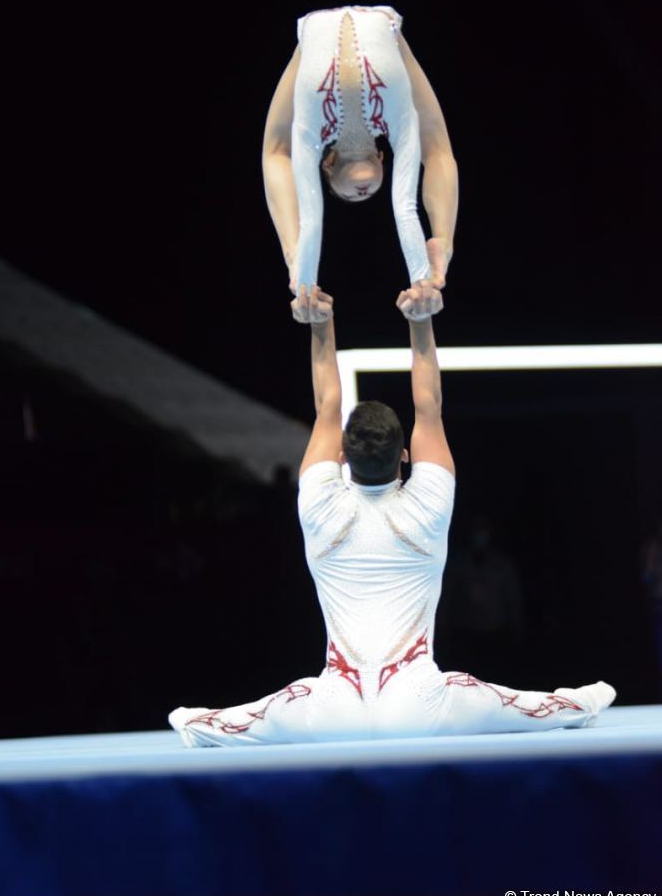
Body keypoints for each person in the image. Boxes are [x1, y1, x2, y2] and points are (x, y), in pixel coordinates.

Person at [168, 279, 615, 745]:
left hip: (335, 704)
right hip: (418, 701)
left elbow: (326, 408)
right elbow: (430, 406)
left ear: (341, 456)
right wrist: (420, 322)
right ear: (405, 455)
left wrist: (322, 325)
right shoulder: (428, 504)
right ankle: (578, 705)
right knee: (517, 703)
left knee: (268, 707)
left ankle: (198, 724)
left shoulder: (319, 502)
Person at [261, 5, 458, 307]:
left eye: (351, 196)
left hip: (317, 35)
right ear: (381, 157)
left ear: (327, 166)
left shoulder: (312, 135)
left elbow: (306, 213)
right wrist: (441, 246)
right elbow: (423, 177)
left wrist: (298, 267)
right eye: (368, 194)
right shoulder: (396, 124)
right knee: (432, 142)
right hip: (382, 27)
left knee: (277, 152)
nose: (362, 192)